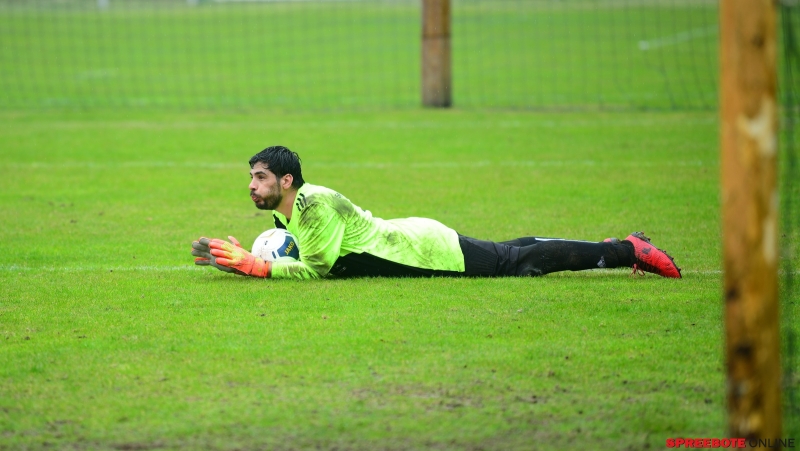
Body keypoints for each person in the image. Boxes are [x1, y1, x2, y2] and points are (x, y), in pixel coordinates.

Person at [191, 146, 682, 280]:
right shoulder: (288, 211)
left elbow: (317, 269)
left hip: (424, 250)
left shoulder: (312, 204)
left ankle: (626, 250)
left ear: (287, 181)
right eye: (251, 178)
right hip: (411, 236)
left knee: (519, 263)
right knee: (514, 250)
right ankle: (619, 243)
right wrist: (245, 259)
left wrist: (260, 267)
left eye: (259, 177)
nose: (252, 186)